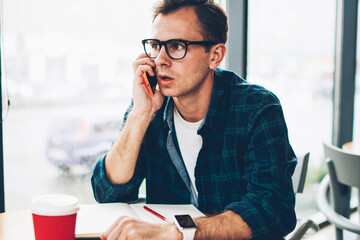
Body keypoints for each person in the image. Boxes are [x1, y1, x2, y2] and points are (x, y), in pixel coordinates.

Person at [91, 0, 297, 239]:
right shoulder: (151, 107)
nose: (160, 60)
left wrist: (180, 232)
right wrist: (140, 115)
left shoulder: (257, 108)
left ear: (215, 55)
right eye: (156, 46)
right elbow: (106, 192)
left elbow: (272, 211)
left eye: (177, 46)